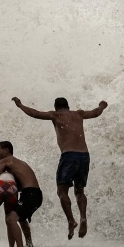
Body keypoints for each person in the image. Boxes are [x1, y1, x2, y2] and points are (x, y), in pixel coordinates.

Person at [12, 96, 107, 239]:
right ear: (68, 106)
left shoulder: (55, 115)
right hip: (84, 156)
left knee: (62, 191)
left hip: (69, 156)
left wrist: (20, 105)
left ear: (56, 107)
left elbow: (36, 114)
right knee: (79, 190)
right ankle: (83, 218)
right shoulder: (79, 114)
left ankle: (71, 220)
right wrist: (102, 106)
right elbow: (95, 112)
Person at [0, 141, 43, 247]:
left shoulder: (6, 160)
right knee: (21, 219)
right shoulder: (18, 163)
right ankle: (29, 245)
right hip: (34, 194)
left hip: (30, 194)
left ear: (7, 150)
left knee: (11, 219)